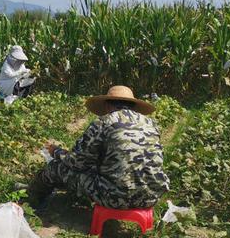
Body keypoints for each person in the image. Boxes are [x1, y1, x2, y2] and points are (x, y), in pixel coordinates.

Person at [30, 85, 169, 209]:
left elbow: (77, 162)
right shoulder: (151, 123)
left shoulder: (104, 122)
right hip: (151, 197)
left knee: (56, 167)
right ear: (132, 105)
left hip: (116, 198)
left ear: (108, 105)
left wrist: (57, 152)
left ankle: (32, 200)